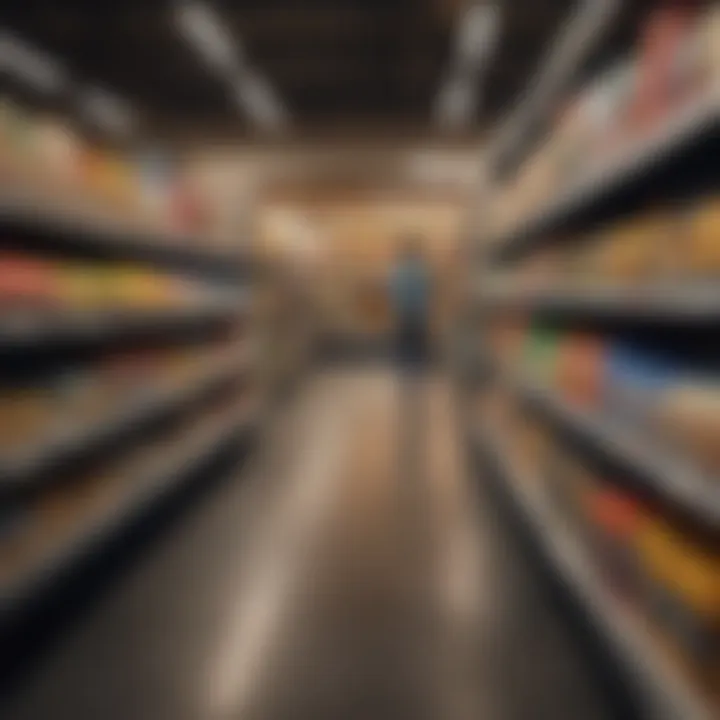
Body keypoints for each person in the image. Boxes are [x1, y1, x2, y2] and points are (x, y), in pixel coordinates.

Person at [389, 236, 431, 372]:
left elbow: (393, 291)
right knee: (418, 347)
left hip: (404, 313)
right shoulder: (421, 270)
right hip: (418, 313)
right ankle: (417, 370)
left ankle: (406, 370)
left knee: (405, 346)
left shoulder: (398, 270)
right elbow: (428, 290)